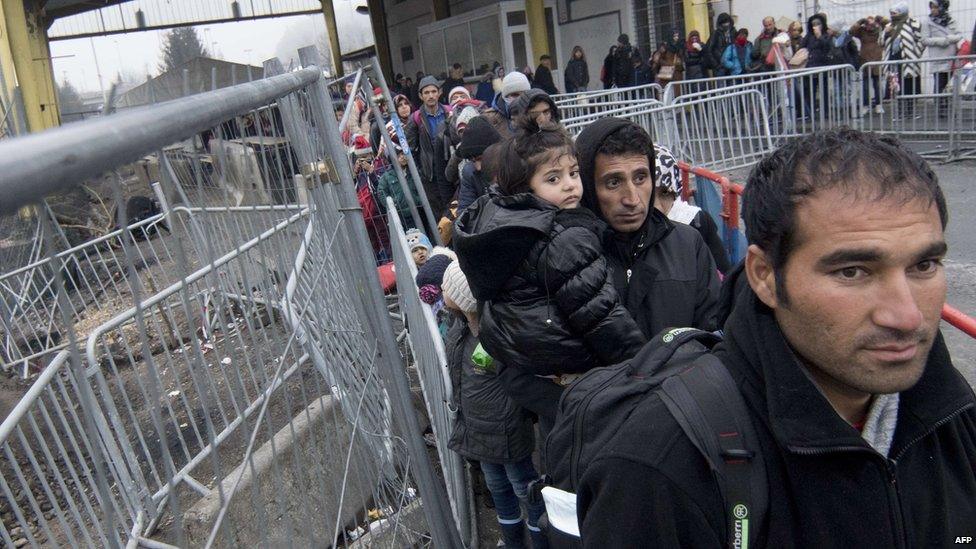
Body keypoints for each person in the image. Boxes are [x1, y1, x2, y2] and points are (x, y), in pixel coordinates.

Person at [576, 127, 976, 548]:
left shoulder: (955, 414)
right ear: (764, 276)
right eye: (852, 271)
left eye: (924, 265)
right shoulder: (660, 467)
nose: (906, 315)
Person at [453, 117, 646, 440]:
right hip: (571, 370)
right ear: (527, 188)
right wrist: (643, 366)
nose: (570, 185)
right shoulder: (563, 237)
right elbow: (601, 314)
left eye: (573, 173)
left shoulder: (503, 219)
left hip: (530, 367)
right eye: (553, 179)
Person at [440, 261, 547, 549]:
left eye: (446, 287)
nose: (441, 289)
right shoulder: (460, 326)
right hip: (477, 427)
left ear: (463, 298)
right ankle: (513, 542)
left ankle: (541, 540)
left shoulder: (497, 334)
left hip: (506, 428)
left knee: (525, 488)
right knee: (497, 487)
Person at [652, 145, 731, 274]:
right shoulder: (622, 233)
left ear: (676, 190)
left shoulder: (696, 221)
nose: (657, 207)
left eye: (665, 193)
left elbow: (723, 274)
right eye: (648, 195)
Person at [406, 75, 453, 219]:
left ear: (439, 92)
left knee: (454, 208)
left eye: (433, 91)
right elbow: (410, 149)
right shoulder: (415, 119)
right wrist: (421, 172)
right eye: (426, 92)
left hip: (449, 169)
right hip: (430, 175)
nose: (431, 95)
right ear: (421, 96)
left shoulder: (449, 112)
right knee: (438, 214)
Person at [883, 2, 925, 118]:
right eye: (891, 13)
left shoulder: (913, 24)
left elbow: (921, 40)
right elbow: (881, 43)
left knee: (909, 86)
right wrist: (886, 33)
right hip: (893, 61)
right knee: (896, 87)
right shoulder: (889, 26)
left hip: (908, 61)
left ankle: (911, 112)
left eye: (895, 13)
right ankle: (899, 112)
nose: (892, 15)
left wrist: (916, 53)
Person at [921, 0, 963, 115]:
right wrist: (942, 41)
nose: (933, 10)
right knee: (939, 84)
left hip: (952, 57)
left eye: (935, 7)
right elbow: (924, 39)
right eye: (932, 8)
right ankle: (941, 110)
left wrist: (950, 38)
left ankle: (949, 108)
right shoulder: (927, 22)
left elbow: (959, 35)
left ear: (942, 7)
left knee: (950, 85)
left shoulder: (951, 19)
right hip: (938, 58)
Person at [456, 117, 501, 211]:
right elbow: (465, 213)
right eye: (472, 161)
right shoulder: (469, 172)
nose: (478, 167)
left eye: (480, 159)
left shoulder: (515, 165)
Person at [376, 145, 424, 230]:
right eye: (398, 156)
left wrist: (418, 199)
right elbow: (381, 192)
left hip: (418, 210)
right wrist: (393, 204)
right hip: (401, 214)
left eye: (402, 154)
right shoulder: (387, 176)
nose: (402, 157)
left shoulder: (413, 172)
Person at [853, 16, 889, 114]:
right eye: (867, 24)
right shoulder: (862, 31)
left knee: (877, 85)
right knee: (865, 86)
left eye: (871, 23)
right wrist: (860, 21)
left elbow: (889, 24)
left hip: (877, 60)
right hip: (864, 60)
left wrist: (880, 19)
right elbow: (852, 31)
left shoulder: (880, 31)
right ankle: (865, 105)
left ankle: (879, 105)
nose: (869, 26)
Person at [482, 71, 531, 139]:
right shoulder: (488, 119)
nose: (519, 99)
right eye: (515, 95)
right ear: (505, 96)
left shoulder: (536, 114)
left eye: (524, 94)